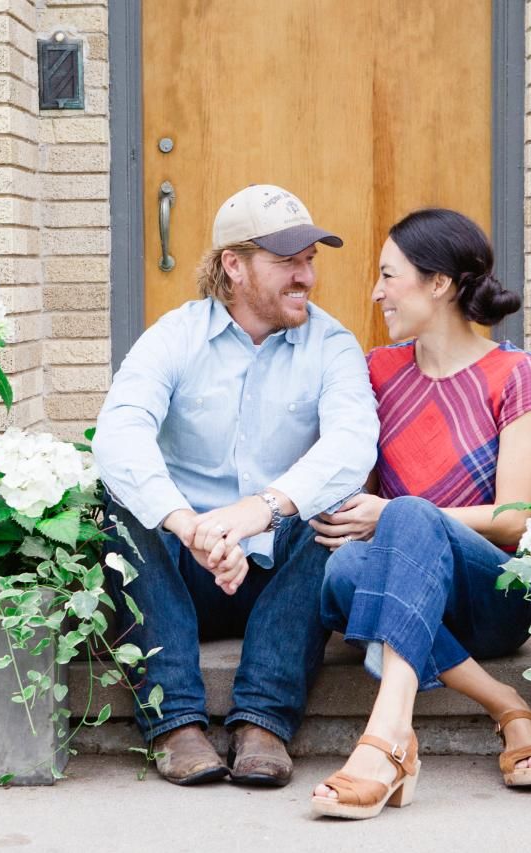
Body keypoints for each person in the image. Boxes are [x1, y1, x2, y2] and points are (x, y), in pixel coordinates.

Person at [93, 184, 379, 788]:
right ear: (234, 265)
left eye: (310, 260)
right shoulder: (174, 337)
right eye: (287, 261)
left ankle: (263, 722)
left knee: (334, 505)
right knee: (117, 504)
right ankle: (175, 724)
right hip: (183, 572)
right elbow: (119, 435)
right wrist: (185, 523)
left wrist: (261, 510)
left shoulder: (332, 344)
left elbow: (352, 445)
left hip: (277, 571)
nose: (306, 276)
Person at [307, 208, 531, 819]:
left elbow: (515, 520)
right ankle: (505, 704)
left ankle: (385, 738)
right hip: (404, 591)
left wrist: (400, 513)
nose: (377, 292)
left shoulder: (517, 373)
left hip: (492, 595)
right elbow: (356, 508)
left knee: (411, 516)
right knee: (343, 575)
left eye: (390, 276)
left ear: (439, 283)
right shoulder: (378, 371)